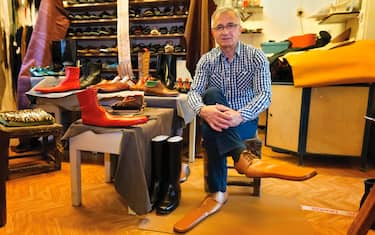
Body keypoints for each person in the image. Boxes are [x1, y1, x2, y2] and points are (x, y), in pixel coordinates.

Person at [174, 7, 317, 233]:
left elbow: (265, 95)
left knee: (213, 130)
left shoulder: (256, 56)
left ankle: (218, 193)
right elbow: (194, 92)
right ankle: (242, 158)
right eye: (219, 27)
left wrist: (240, 114)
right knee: (211, 96)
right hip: (217, 120)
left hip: (244, 120)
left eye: (231, 25)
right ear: (212, 32)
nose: (226, 31)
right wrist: (203, 110)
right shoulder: (206, 60)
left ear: (240, 29)